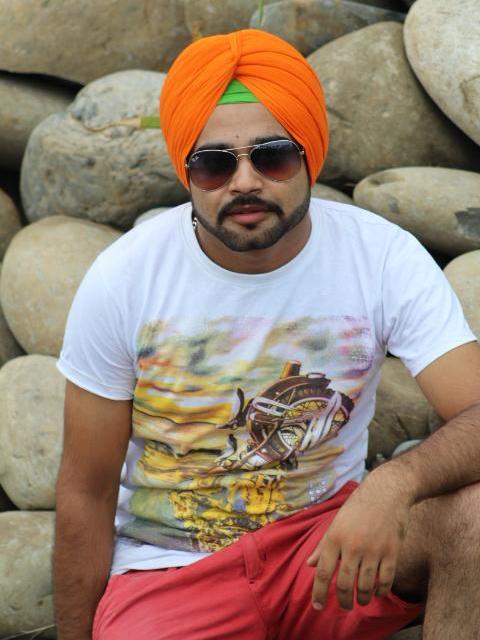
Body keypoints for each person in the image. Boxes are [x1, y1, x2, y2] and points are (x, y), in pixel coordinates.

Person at [54, 29, 480, 640]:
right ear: (186, 172)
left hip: (330, 551)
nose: (245, 181)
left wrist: (395, 483)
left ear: (309, 156)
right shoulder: (125, 278)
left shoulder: (382, 257)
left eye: (272, 156)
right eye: (214, 163)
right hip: (172, 575)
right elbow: (86, 492)